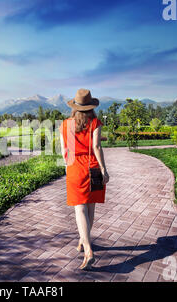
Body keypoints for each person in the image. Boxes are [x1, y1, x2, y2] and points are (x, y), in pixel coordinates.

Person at [59, 88, 110, 270]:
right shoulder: (95, 122)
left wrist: (68, 170)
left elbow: (65, 151)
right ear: (90, 107)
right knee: (90, 207)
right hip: (93, 167)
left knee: (79, 209)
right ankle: (84, 242)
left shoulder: (65, 125)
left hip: (74, 168)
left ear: (75, 107)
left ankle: (87, 248)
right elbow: (96, 146)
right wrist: (104, 169)